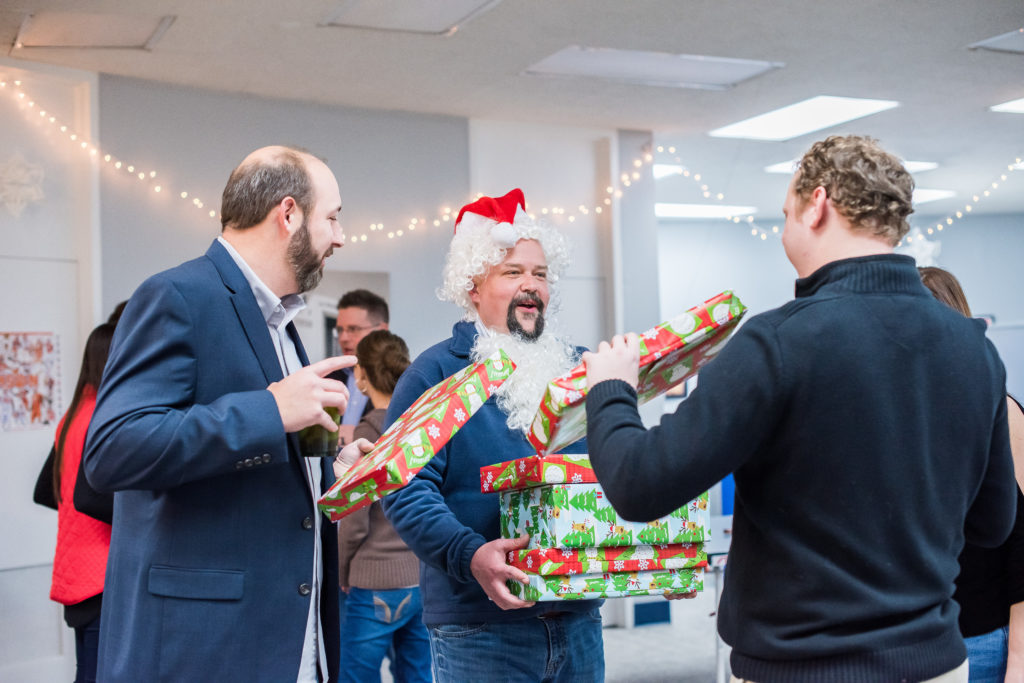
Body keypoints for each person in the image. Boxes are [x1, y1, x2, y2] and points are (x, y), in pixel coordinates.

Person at [582, 135, 1016, 682]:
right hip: (936, 665)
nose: (784, 228)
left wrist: (611, 389)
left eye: (786, 213)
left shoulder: (776, 343)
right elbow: (993, 522)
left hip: (803, 669)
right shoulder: (974, 347)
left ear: (818, 203)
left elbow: (638, 485)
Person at [83, 145, 366, 682]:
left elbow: (271, 450)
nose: (339, 236)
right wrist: (269, 410)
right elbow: (113, 449)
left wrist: (335, 465)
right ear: (287, 215)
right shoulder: (178, 295)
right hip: (206, 647)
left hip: (291, 640)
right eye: (332, 217)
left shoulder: (280, 319)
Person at [380, 189, 605, 682]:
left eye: (540, 274)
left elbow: (615, 470)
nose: (532, 285)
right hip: (479, 630)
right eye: (513, 272)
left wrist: (653, 557)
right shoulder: (434, 374)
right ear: (473, 286)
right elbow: (403, 486)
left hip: (579, 617)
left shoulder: (582, 369)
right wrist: (469, 554)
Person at [919, 266, 1024, 682]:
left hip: (981, 643)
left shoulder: (1001, 410)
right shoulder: (902, 416)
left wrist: (1018, 664)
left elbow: (1022, 548)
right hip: (910, 647)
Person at [333, 330, 430, 683]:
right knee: (418, 673)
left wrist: (342, 571)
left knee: (356, 676)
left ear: (361, 377)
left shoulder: (367, 434)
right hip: (421, 579)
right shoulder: (422, 432)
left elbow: (354, 522)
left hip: (374, 581)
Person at [48, 320, 116, 683]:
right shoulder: (102, 422)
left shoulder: (71, 417)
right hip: (99, 572)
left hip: (75, 566)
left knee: (86, 670)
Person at [330, 289, 390, 447]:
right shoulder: (327, 377)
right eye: (340, 330)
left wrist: (357, 435)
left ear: (382, 330)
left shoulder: (403, 379)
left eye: (353, 329)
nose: (343, 338)